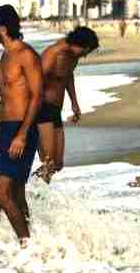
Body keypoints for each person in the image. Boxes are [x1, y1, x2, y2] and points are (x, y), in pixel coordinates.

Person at [0, 5, 43, 247]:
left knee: (1, 193)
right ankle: (31, 240)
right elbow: (6, 100)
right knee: (16, 192)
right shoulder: (5, 56)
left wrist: (21, 134)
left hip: (23, 128)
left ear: (3, 28)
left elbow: (37, 96)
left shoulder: (26, 55)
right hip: (8, 128)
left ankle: (25, 243)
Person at [35, 26, 99, 183]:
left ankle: (30, 190)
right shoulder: (53, 53)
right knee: (48, 161)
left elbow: (67, 76)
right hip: (42, 109)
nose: (84, 56)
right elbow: (35, 81)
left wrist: (74, 103)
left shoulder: (73, 56)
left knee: (57, 164)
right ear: (78, 44)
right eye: (85, 52)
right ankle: (27, 195)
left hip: (55, 110)